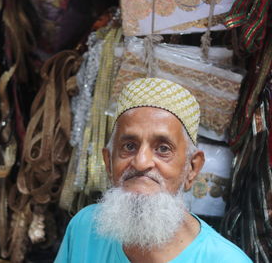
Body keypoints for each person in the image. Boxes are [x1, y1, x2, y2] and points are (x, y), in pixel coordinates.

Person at [55, 78, 252, 263]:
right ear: (108, 162)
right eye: (129, 146)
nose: (141, 163)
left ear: (191, 168)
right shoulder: (85, 227)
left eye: (163, 149)